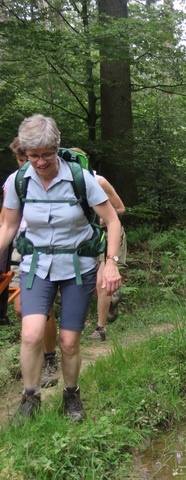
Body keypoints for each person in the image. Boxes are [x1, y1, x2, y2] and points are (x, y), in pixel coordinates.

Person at [0, 114, 122, 423]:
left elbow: (112, 219)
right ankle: (30, 397)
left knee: (69, 341)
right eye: (32, 156)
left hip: (77, 268)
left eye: (46, 155)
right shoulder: (19, 181)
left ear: (57, 147)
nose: (40, 162)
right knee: (30, 335)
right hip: (36, 265)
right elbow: (8, 225)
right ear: (24, 154)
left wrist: (110, 265)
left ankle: (71, 394)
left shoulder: (82, 178)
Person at [1, 138, 59, 389]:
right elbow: (6, 220)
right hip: (20, 249)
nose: (28, 165)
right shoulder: (13, 182)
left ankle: (49, 358)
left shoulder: (53, 177)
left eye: (30, 159)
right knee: (20, 309)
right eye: (22, 160)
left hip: (47, 248)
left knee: (43, 308)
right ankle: (34, 357)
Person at [82, 159, 126, 341]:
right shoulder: (67, 185)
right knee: (92, 283)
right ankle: (112, 299)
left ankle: (100, 329)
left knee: (102, 283)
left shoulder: (99, 182)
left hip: (108, 235)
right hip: (88, 238)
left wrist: (100, 221)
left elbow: (121, 209)